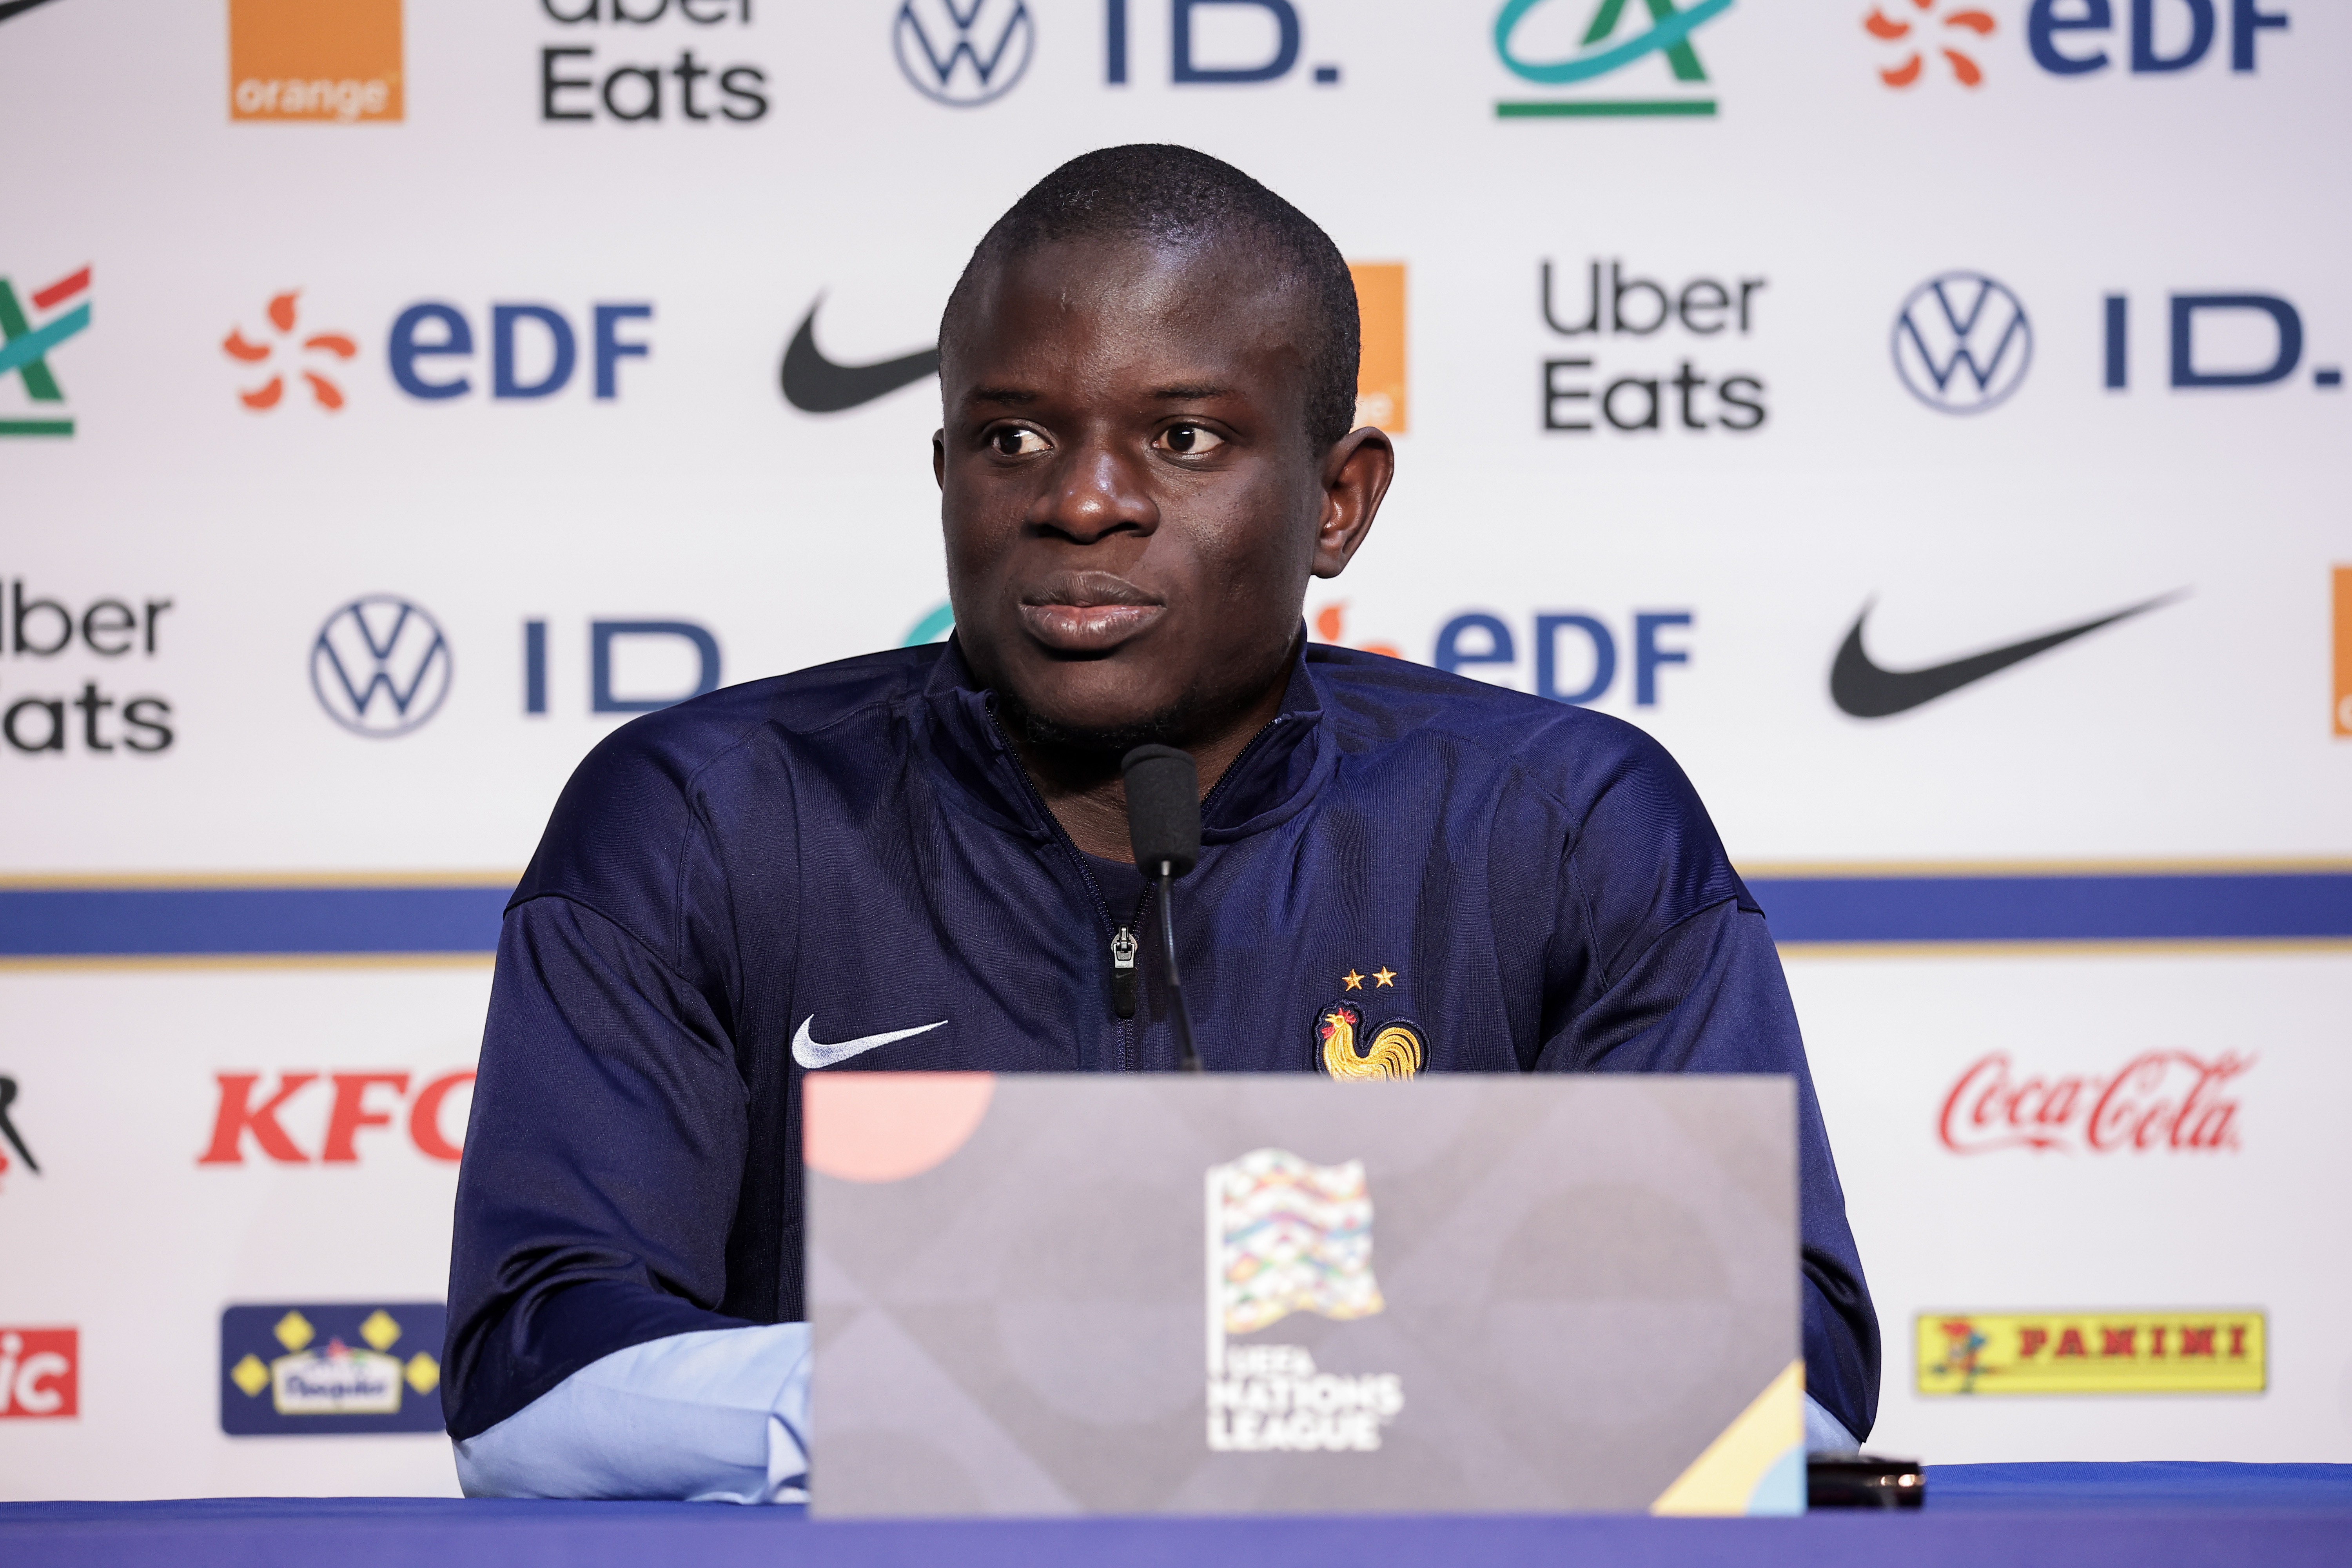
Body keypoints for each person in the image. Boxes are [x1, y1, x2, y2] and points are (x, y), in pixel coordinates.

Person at [442, 144, 1880, 1501]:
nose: (1082, 503)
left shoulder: (1562, 827)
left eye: (1184, 437)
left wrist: (1272, 1400)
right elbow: (536, 1378)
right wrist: (1003, 1400)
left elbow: (1781, 1365)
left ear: (1339, 502)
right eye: (1013, 437)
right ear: (945, 477)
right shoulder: (702, 818)